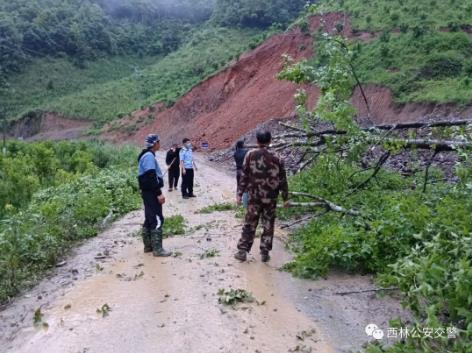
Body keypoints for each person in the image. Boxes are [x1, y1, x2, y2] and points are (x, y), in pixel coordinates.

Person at [234, 130, 289, 263]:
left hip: (254, 197)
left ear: (257, 141)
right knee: (268, 224)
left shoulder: (250, 155)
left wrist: (239, 194)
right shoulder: (278, 157)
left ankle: (242, 251)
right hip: (271, 198)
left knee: (250, 223)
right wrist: (286, 198)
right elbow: (283, 179)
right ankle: (264, 252)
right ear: (270, 141)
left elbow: (244, 176)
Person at [137, 134, 171, 257]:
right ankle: (158, 250)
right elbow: (151, 175)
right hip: (151, 192)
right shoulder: (149, 156)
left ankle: (148, 247)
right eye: (158, 142)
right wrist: (159, 193)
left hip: (147, 192)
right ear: (155, 143)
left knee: (149, 218)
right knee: (157, 219)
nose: (159, 144)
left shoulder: (146, 155)